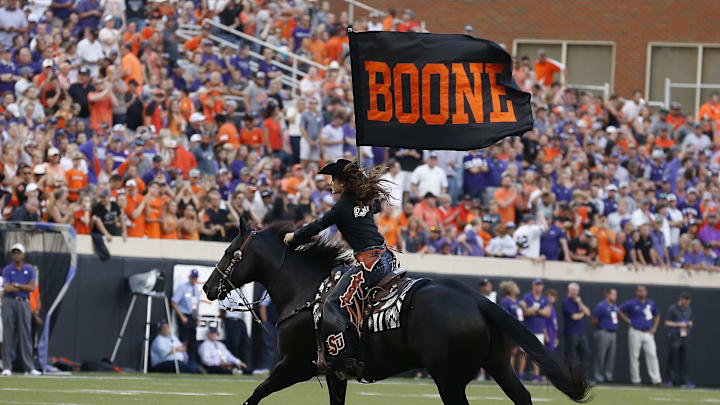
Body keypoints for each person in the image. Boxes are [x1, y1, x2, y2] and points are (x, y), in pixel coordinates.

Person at [283, 159, 396, 378]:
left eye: (334, 179)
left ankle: (344, 359)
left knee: (333, 302)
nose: (331, 183)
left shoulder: (343, 206)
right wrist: (363, 187)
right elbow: (377, 206)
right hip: (386, 259)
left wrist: (293, 237)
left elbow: (317, 226)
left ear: (343, 183)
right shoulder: (365, 201)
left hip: (369, 264)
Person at [1, 243, 42, 376]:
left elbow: (32, 288)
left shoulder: (29, 270)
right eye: (14, 253)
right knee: (8, 334)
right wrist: (22, 287)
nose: (16, 255)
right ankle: (7, 366)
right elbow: (7, 288)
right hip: (9, 302)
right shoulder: (7, 269)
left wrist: (17, 285)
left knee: (25, 335)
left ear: (23, 255)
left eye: (19, 252)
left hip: (24, 303)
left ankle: (29, 368)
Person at [618, 285, 662, 385]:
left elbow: (657, 314)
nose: (642, 293)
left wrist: (654, 327)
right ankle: (636, 380)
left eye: (643, 291)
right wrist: (628, 321)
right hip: (635, 331)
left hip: (648, 332)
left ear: (646, 292)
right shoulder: (632, 303)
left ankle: (656, 380)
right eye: (640, 291)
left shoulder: (650, 303)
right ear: (637, 292)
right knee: (634, 356)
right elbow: (619, 310)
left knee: (652, 355)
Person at [519, 278, 550, 381]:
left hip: (539, 330)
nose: (538, 287)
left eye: (540, 285)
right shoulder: (527, 297)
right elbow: (526, 312)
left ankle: (537, 375)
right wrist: (539, 311)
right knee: (523, 353)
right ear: (533, 286)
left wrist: (535, 310)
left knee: (537, 354)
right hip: (527, 329)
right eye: (536, 285)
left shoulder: (544, 299)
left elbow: (547, 313)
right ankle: (520, 374)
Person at [171, 269, 200, 366]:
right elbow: (174, 302)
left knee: (193, 341)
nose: (193, 279)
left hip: (192, 317)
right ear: (189, 277)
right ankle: (183, 362)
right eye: (192, 277)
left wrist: (198, 316)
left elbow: (195, 305)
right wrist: (182, 317)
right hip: (184, 316)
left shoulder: (196, 289)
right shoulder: (183, 288)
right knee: (184, 340)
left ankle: (193, 364)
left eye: (195, 277)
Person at [664, 292, 693, 388]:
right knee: (672, 358)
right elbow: (667, 323)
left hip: (685, 336)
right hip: (674, 336)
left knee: (684, 359)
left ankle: (684, 381)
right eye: (686, 301)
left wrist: (689, 324)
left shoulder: (688, 309)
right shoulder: (672, 309)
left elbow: (689, 320)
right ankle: (670, 380)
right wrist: (680, 324)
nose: (687, 304)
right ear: (682, 300)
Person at [592, 287, 619, 383]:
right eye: (613, 294)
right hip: (603, 332)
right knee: (601, 355)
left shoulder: (614, 306)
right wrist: (601, 327)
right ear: (607, 295)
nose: (615, 296)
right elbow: (594, 320)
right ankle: (598, 376)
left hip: (613, 333)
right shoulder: (601, 306)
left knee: (611, 356)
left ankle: (608, 376)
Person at [562, 282, 591, 367]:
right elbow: (574, 316)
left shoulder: (578, 302)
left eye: (577, 290)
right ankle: (568, 375)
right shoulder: (566, 302)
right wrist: (582, 314)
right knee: (570, 355)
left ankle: (582, 377)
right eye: (573, 290)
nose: (575, 292)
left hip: (581, 332)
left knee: (585, 353)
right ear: (569, 291)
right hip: (571, 332)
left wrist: (580, 303)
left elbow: (588, 313)